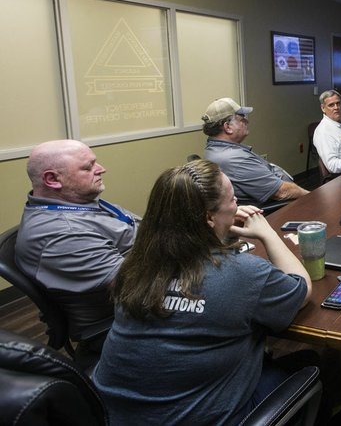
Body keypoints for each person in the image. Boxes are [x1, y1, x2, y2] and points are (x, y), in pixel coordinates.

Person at [93, 160, 315, 424]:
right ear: (208, 217)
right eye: (233, 200)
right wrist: (266, 233)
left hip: (113, 415)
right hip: (198, 419)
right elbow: (301, 289)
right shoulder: (244, 272)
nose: (236, 205)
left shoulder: (132, 268)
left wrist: (221, 225)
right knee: (312, 362)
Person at [15, 139, 138, 359]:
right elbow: (138, 284)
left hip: (152, 282)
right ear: (52, 179)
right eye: (88, 167)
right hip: (125, 322)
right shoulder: (61, 233)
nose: (101, 169)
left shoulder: (84, 203)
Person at [202, 97, 308, 206]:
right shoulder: (235, 159)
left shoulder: (213, 148)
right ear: (228, 127)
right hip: (274, 211)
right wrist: (310, 195)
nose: (247, 121)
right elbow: (282, 192)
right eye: (241, 118)